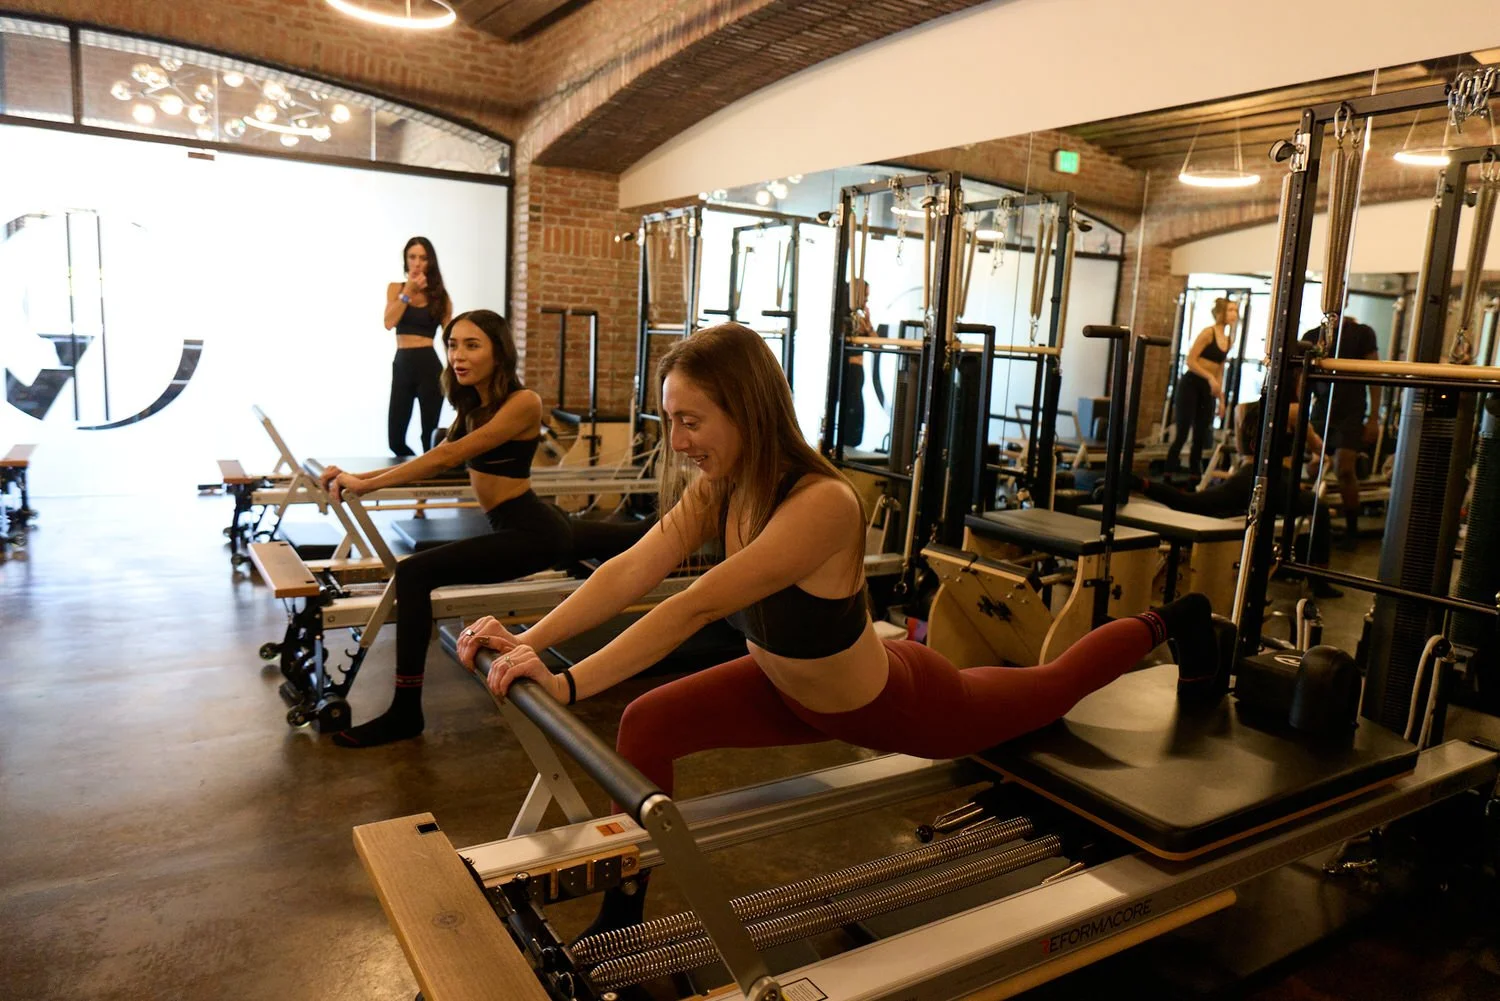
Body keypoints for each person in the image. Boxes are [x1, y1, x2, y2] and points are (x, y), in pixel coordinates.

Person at [456, 322, 1229, 933]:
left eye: (691, 421)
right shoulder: (722, 486)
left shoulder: (820, 503)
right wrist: (530, 640)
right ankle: (623, 914)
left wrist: (567, 681)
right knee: (647, 722)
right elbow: (633, 568)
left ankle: (1179, 619)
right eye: (672, 420)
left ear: (747, 410)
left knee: (1053, 688)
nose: (680, 441)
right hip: (784, 688)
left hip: (895, 705)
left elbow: (692, 606)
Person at [319, 309, 649, 747]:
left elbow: (447, 457)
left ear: (499, 352)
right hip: (534, 523)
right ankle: (703, 527)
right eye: (453, 344)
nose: (458, 355)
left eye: (472, 345)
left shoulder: (523, 402)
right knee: (642, 536)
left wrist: (365, 485)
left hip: (533, 532)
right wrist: (360, 479)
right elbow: (440, 460)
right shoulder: (472, 406)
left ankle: (405, 712)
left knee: (413, 572)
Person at [1136, 396, 1342, 599]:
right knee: (1318, 508)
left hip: (1264, 477)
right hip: (1265, 479)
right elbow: (1314, 445)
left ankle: (1312, 576)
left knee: (1316, 507)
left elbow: (1244, 447)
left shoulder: (1253, 411)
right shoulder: (1287, 411)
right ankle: (1317, 581)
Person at [1301, 317, 1381, 551]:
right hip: (1321, 409)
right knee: (1312, 468)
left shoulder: (1362, 333)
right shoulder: (1312, 336)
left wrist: (1374, 418)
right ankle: (1312, 528)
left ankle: (1351, 531)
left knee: (1344, 469)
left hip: (1351, 411)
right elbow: (1303, 381)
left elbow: (1375, 376)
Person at [385, 236, 452, 457]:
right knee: (395, 440)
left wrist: (455, 374)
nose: (417, 263)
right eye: (412, 257)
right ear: (405, 260)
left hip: (429, 367)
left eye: (423, 258)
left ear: (430, 262)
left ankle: (424, 480)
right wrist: (408, 293)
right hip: (403, 365)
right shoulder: (396, 289)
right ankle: (414, 470)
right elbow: (389, 322)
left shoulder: (440, 297)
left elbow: (450, 339)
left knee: (428, 438)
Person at [1167, 297, 1238, 475]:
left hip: (1208, 387)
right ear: (1221, 313)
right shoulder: (1208, 333)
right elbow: (1191, 361)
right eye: (1230, 310)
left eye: (1236, 311)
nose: (1234, 314)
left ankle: (1194, 474)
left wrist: (1221, 400)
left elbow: (1220, 370)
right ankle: (1169, 470)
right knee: (1183, 432)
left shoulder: (1228, 340)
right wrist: (1209, 377)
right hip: (1191, 383)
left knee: (1201, 434)